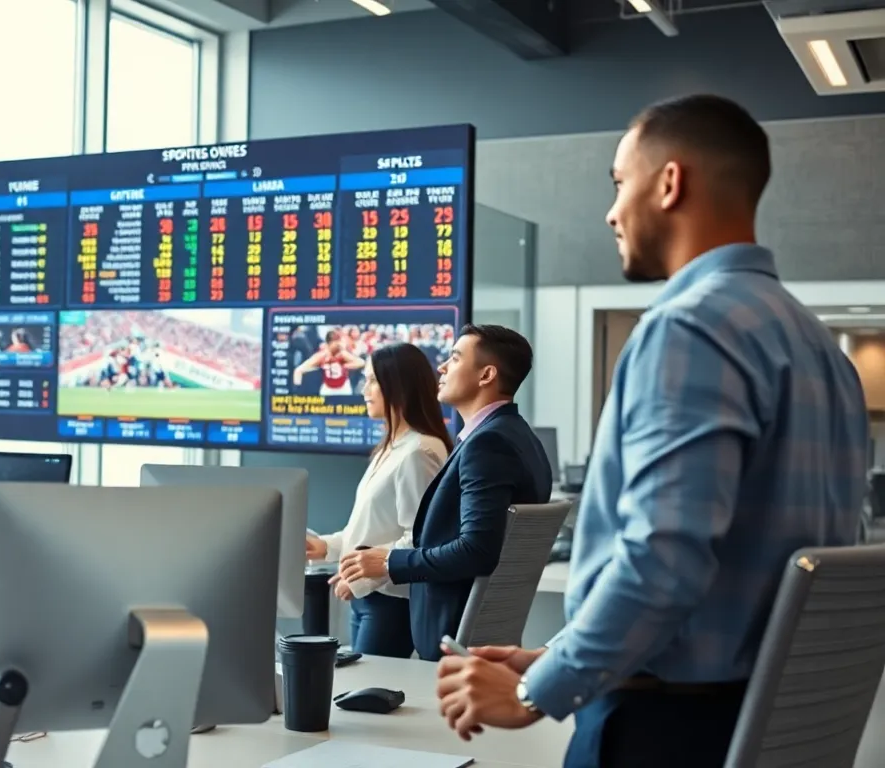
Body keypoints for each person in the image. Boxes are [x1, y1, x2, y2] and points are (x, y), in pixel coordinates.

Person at [434, 95, 871, 768]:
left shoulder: (689, 328)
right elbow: (736, 589)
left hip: (664, 734)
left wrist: (533, 690)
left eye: (619, 183)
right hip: (759, 727)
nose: (611, 212)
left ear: (669, 183)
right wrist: (566, 650)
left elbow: (663, 562)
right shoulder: (826, 356)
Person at [340, 324, 550, 661]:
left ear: (487, 375)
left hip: (449, 631)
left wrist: (390, 562)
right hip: (469, 629)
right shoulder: (517, 438)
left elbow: (477, 549)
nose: (441, 367)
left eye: (454, 358)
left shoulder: (489, 444)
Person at [306, 343, 454, 658]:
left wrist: (360, 579)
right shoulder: (392, 446)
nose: (364, 390)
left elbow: (419, 539)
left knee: (367, 698)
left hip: (390, 602)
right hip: (370, 598)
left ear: (397, 387)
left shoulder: (419, 452)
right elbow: (371, 530)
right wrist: (328, 547)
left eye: (372, 381)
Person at [293, 329, 365, 396]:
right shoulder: (321, 355)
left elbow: (361, 363)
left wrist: (346, 365)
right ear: (329, 343)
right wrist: (297, 392)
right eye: (337, 342)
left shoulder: (343, 354)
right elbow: (299, 370)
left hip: (343, 387)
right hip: (328, 388)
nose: (339, 345)